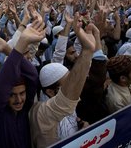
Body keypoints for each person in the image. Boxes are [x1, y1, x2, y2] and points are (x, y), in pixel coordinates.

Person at [30, 13, 97, 147]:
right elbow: (59, 55)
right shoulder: (41, 113)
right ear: (50, 91)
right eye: (67, 84)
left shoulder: (65, 105)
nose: (73, 86)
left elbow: (60, 56)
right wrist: (88, 52)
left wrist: (81, 128)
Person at [0, 18, 45, 148]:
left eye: (22, 93)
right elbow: (2, 87)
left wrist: (8, 49)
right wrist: (20, 44)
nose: (19, 100)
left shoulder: (24, 110)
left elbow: (32, 75)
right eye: (12, 95)